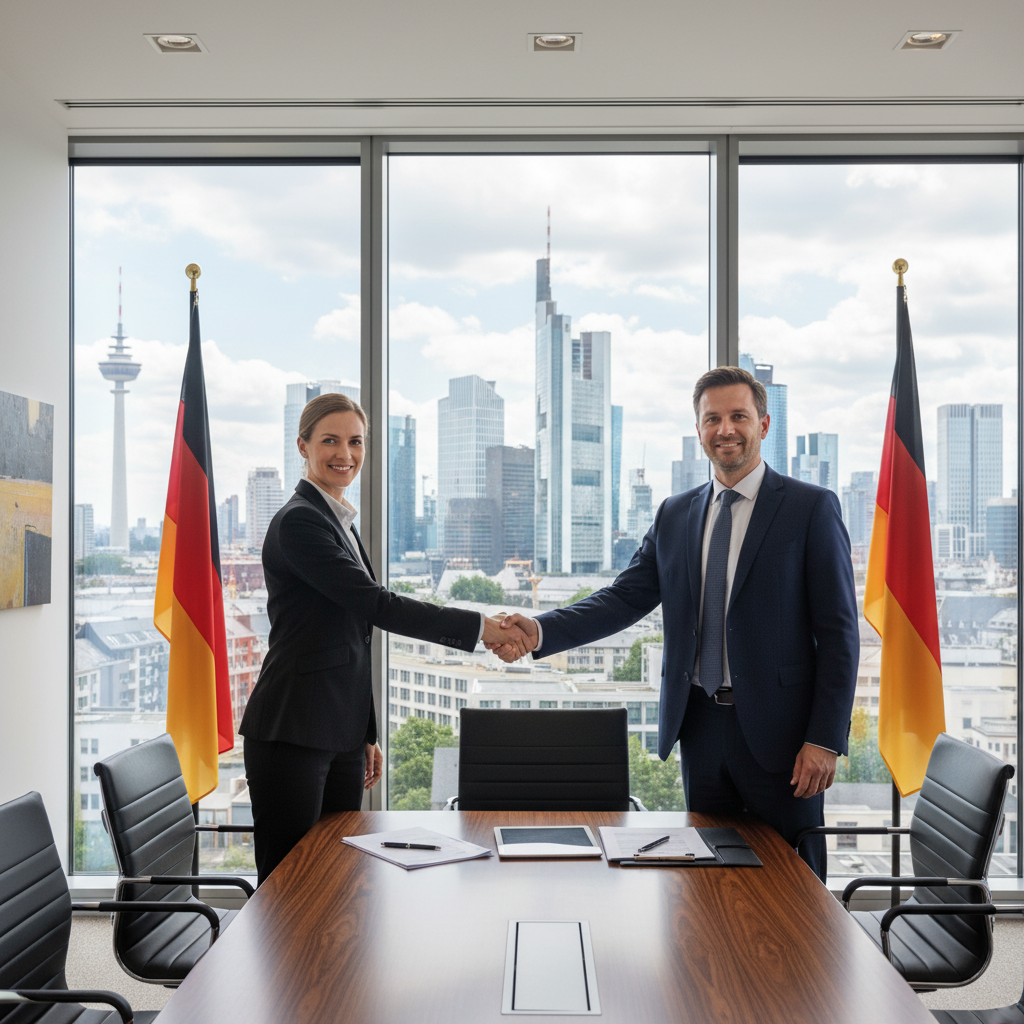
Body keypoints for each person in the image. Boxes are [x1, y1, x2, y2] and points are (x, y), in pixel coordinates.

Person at [491, 367, 858, 880]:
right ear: (699, 429)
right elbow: (623, 599)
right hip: (700, 730)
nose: (725, 429)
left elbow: (840, 634)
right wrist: (539, 630)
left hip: (784, 738)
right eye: (712, 419)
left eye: (738, 416)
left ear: (764, 424)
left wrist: (824, 738)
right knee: (705, 881)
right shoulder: (675, 513)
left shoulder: (810, 508)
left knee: (794, 883)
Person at [241, 392, 527, 884]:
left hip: (338, 731)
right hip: (291, 731)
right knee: (289, 884)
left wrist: (365, 733)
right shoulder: (299, 522)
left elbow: (353, 642)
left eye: (355, 442)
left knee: (337, 877)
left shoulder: (336, 521)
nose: (345, 454)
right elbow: (377, 605)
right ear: (302, 446)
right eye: (330, 441)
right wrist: (482, 627)